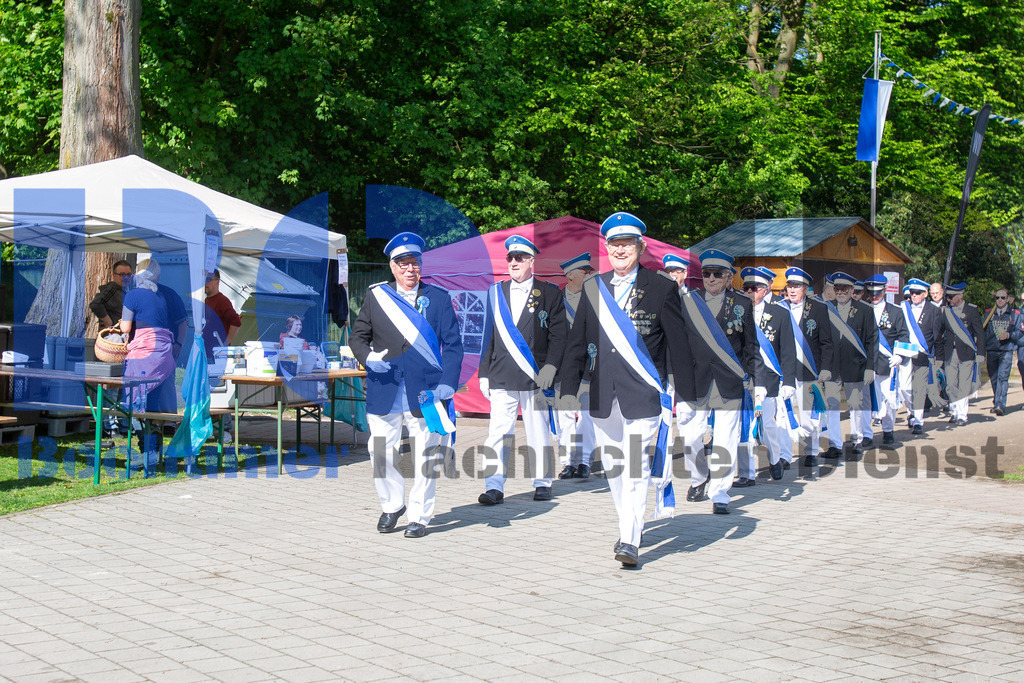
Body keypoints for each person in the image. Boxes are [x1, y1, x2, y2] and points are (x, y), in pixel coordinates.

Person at [559, 211, 692, 567]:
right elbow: (576, 342)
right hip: (602, 394)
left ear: (640, 247)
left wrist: (689, 393)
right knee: (617, 469)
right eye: (614, 244)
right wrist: (568, 389)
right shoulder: (593, 287)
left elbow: (679, 343)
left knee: (634, 467)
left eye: (627, 244)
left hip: (644, 392)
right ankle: (629, 524)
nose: (620, 250)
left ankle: (630, 539)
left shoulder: (662, 287)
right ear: (607, 248)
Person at [350, 232, 464, 538]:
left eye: (414, 263)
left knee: (426, 455)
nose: (409, 269)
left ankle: (419, 516)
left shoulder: (438, 299)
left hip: (425, 391)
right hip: (384, 387)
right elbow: (357, 337)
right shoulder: (377, 297)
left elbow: (453, 346)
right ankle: (392, 505)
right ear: (392, 266)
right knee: (380, 452)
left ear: (421, 265)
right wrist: (368, 358)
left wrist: (447, 385)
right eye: (403, 264)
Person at [477, 235, 567, 504]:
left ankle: (542, 481)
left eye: (519, 258)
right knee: (498, 432)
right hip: (502, 371)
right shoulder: (495, 292)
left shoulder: (550, 293)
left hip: (535, 374)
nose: (513, 262)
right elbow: (488, 335)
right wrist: (483, 372)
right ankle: (494, 486)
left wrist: (551, 366)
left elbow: (559, 336)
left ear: (531, 261)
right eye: (510, 258)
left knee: (537, 429)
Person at [676, 250, 762, 512]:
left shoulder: (742, 304)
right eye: (706, 274)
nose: (710, 279)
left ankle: (720, 493)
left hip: (728, 381)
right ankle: (700, 477)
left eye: (717, 274)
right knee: (690, 438)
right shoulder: (688, 301)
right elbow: (677, 344)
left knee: (726, 438)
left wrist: (758, 383)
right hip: (695, 380)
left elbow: (751, 347)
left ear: (728, 278)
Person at [737, 267, 795, 482]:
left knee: (768, 425)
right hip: (744, 378)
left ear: (764, 289)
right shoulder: (736, 311)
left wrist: (788, 380)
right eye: (746, 288)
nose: (750, 292)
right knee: (745, 426)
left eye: (754, 288)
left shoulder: (779, 314)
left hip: (769, 379)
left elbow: (788, 350)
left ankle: (774, 458)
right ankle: (746, 473)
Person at [119, 260, 177, 466]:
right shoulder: (159, 295)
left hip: (144, 355)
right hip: (164, 355)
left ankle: (146, 453)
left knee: (136, 407)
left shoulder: (133, 295)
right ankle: (154, 452)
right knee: (153, 406)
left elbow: (126, 328)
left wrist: (121, 324)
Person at [820, 272, 877, 462]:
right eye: (837, 289)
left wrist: (870, 367)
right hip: (833, 366)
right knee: (832, 405)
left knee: (855, 405)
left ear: (852, 290)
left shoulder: (865, 310)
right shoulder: (827, 309)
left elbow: (871, 342)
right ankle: (835, 444)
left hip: (855, 365)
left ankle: (856, 442)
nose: (840, 292)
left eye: (844, 289)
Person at [781, 267, 833, 469]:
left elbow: (827, 343)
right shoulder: (780, 308)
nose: (793, 290)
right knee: (785, 415)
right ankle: (785, 456)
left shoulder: (818, 309)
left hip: (809, 370)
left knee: (808, 416)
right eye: (790, 286)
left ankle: (810, 451)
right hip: (785, 372)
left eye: (797, 286)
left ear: (805, 288)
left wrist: (826, 368)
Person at [555, 252, 596, 480]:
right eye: (584, 272)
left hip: (590, 367)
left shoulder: (595, 298)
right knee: (565, 417)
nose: (589, 275)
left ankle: (585, 461)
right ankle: (567, 461)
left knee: (588, 416)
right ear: (570, 275)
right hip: (563, 368)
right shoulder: (555, 301)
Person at [863, 275, 909, 449]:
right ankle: (867, 434)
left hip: (886, 363)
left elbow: (904, 335)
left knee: (888, 399)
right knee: (866, 401)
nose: (874, 296)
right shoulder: (862, 309)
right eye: (871, 293)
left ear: (884, 291)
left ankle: (888, 430)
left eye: (877, 293)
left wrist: (900, 357)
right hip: (866, 363)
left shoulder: (895, 312)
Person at [898, 278, 943, 434]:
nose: (914, 295)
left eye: (917, 293)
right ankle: (911, 410)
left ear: (925, 294)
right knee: (904, 387)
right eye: (912, 293)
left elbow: (936, 336)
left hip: (923, 354)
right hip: (905, 353)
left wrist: (938, 358)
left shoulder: (934, 311)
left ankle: (918, 421)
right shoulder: (904, 308)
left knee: (919, 388)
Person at [936, 282, 984, 426]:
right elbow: (939, 334)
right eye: (948, 297)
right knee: (950, 385)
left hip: (966, 353)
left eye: (951, 297)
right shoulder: (946, 312)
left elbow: (980, 333)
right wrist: (939, 356)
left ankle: (962, 415)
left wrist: (981, 353)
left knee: (964, 384)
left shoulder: (971, 310)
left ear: (961, 295)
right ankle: (955, 410)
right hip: (950, 353)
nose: (949, 299)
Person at [984, 288, 1021, 416]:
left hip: (1006, 350)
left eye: (1002, 298)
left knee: (1003, 377)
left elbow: (1019, 332)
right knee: (993, 378)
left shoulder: (1014, 314)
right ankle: (997, 401)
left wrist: (1009, 335)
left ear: (1007, 299)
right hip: (992, 350)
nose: (999, 300)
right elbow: (982, 330)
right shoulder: (989, 313)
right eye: (997, 298)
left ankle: (1000, 404)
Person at [202, 269, 241, 357]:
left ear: (217, 282)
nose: (205, 283)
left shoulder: (222, 301)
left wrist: (225, 344)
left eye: (208, 280)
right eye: (203, 280)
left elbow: (236, 322)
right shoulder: (206, 301)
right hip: (207, 350)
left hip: (218, 352)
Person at [90, 260, 133, 329]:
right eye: (122, 274)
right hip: (113, 335)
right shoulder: (112, 289)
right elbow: (95, 304)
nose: (125, 278)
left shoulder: (127, 290)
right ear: (114, 275)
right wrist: (108, 322)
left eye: (128, 275)